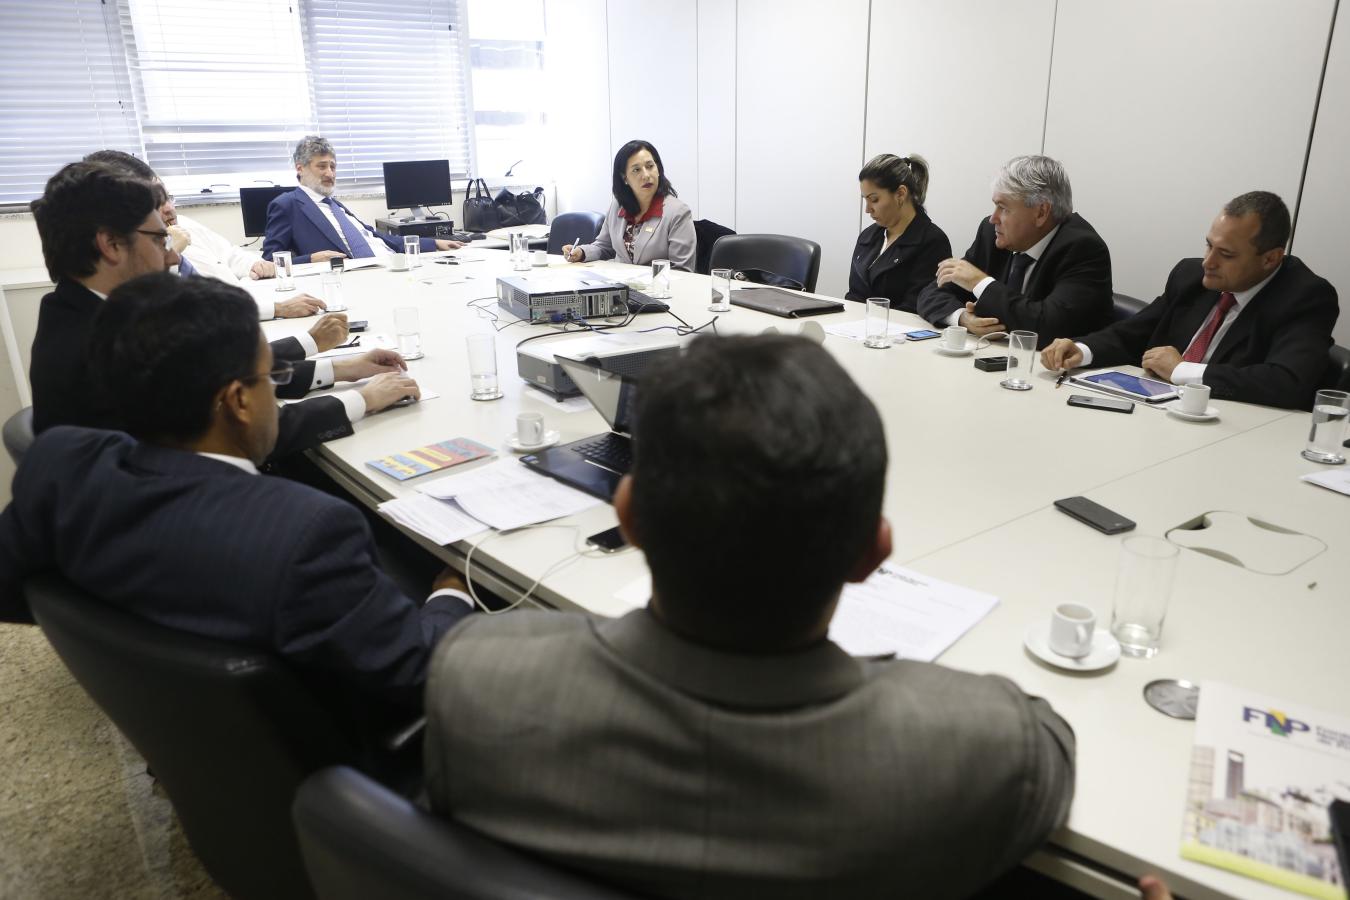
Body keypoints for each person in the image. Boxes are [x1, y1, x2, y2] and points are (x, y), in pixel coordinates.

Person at [423, 334, 1075, 899]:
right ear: (872, 556)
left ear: (628, 517)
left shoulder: (473, 679)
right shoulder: (990, 748)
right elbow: (1050, 747)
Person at [0, 273, 472, 753]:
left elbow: (15, 594)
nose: (275, 389)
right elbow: (420, 674)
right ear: (240, 401)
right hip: (344, 764)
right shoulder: (308, 533)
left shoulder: (59, 463)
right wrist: (452, 593)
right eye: (272, 378)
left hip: (185, 734)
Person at [27, 161, 417, 457]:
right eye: (161, 240)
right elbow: (241, 428)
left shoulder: (85, 312)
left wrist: (343, 369)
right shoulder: (102, 348)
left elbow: (216, 376)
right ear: (111, 245)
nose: (172, 258)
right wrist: (363, 399)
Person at [1042, 191, 1338, 410]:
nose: (1208, 262)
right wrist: (1082, 349)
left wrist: (1183, 371)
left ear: (1270, 259)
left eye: (1226, 254)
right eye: (1209, 246)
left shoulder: (1305, 298)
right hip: (1161, 413)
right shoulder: (1191, 275)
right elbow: (1133, 333)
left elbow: (1287, 382)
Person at [83, 150, 326, 320]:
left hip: (244, 305)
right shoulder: (138, 255)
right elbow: (194, 311)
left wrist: (254, 264)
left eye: (168, 197)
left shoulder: (184, 224)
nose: (169, 208)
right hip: (234, 318)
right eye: (156, 202)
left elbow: (229, 253)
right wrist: (277, 309)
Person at [916, 155, 1112, 347]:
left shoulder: (1083, 248)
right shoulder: (992, 234)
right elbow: (931, 292)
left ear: (1041, 212)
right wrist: (964, 318)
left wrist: (980, 283)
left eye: (1003, 208)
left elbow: (1049, 327)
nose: (993, 218)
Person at [263, 135, 463, 264]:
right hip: (362, 274)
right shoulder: (287, 204)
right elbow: (270, 261)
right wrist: (311, 259)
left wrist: (434, 243)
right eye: (322, 166)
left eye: (333, 166)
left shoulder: (335, 206)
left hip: (394, 263)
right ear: (300, 168)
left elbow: (380, 238)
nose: (330, 173)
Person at [564, 140, 696, 272]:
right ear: (624, 178)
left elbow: (682, 270)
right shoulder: (618, 206)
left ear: (658, 170)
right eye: (636, 170)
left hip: (658, 284)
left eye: (650, 166)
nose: (646, 175)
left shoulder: (677, 212)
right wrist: (581, 252)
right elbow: (604, 247)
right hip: (619, 281)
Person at [847, 153, 951, 314]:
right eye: (865, 200)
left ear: (901, 194)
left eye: (874, 200)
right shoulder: (867, 236)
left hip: (898, 328)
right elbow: (854, 295)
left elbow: (916, 307)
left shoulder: (933, 242)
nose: (867, 209)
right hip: (857, 325)